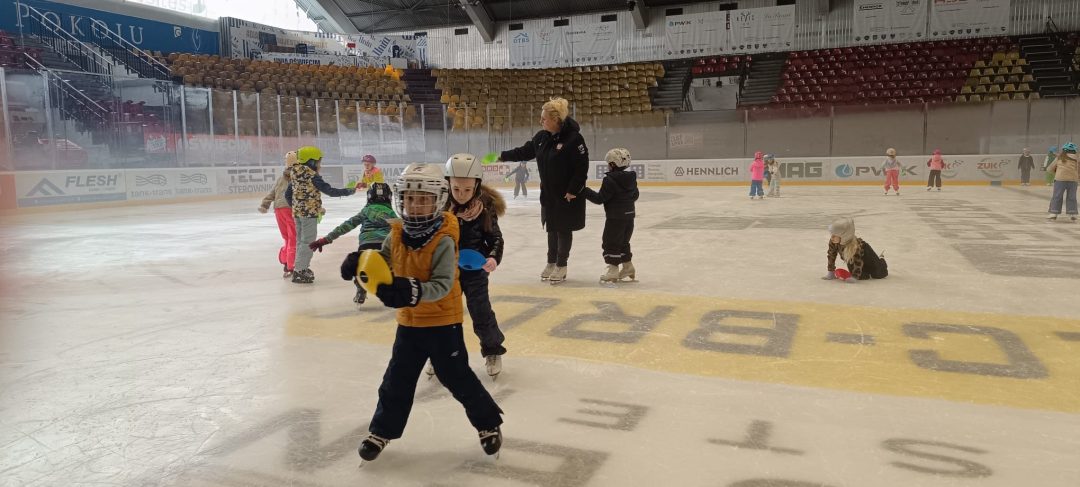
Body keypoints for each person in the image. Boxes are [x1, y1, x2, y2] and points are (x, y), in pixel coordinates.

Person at [357, 163, 503, 463]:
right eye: (409, 198)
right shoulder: (397, 233)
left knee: (458, 378)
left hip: (442, 323)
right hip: (409, 324)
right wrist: (360, 263)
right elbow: (383, 260)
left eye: (423, 199)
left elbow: (442, 284)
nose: (415, 205)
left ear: (437, 200)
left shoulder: (444, 238)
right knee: (396, 379)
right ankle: (381, 431)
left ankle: (488, 423)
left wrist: (408, 291)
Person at [499, 97, 589, 284]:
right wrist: (502, 156)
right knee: (552, 228)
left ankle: (561, 265)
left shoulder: (573, 139)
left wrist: (573, 189)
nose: (541, 121)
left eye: (544, 118)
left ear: (556, 120)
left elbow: (581, 167)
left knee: (563, 229)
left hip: (567, 194)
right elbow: (524, 152)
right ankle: (551, 262)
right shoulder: (542, 137)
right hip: (549, 194)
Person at [439, 153, 507, 379]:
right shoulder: (441, 206)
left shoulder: (485, 207)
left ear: (477, 185)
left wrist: (493, 257)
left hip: (475, 269)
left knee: (481, 311)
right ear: (448, 183)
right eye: (456, 189)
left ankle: (492, 350)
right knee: (444, 314)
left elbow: (495, 238)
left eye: (467, 190)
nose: (461, 194)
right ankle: (439, 353)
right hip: (447, 269)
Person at [308, 182, 397, 306]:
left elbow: (346, 226)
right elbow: (401, 230)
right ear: (389, 197)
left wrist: (326, 239)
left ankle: (361, 287)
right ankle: (391, 291)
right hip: (385, 246)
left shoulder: (365, 211)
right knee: (390, 268)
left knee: (361, 268)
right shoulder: (392, 214)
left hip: (366, 246)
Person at [284, 146, 358, 284]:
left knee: (300, 241)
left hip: (297, 214)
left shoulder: (294, 173)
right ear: (311, 161)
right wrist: (348, 191)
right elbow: (329, 191)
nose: (320, 165)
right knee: (308, 242)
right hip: (309, 214)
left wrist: (296, 207)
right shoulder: (312, 175)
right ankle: (300, 270)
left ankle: (299, 268)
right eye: (318, 161)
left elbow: (287, 194)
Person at [582, 148, 639, 283]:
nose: (608, 166)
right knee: (623, 242)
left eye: (609, 163)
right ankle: (628, 267)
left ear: (613, 164)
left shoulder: (610, 180)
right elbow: (635, 195)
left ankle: (613, 271)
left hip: (615, 217)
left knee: (610, 242)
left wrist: (584, 191)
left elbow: (599, 199)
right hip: (629, 216)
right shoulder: (631, 178)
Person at [259, 151, 297, 279]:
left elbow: (272, 192)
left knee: (287, 238)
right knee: (293, 238)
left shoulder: (281, 177)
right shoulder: (298, 176)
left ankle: (286, 262)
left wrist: (265, 204)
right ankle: (291, 266)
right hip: (290, 208)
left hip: (278, 209)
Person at [821, 217, 889, 282]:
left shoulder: (855, 246)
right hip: (853, 259)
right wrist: (831, 272)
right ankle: (864, 270)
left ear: (844, 236)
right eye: (831, 234)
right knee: (863, 277)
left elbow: (857, 261)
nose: (831, 238)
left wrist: (855, 277)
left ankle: (881, 259)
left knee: (879, 274)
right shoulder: (833, 242)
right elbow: (831, 256)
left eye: (834, 235)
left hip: (867, 255)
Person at [1045, 142, 1078, 222]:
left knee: (1057, 196)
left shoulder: (1059, 157)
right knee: (1072, 197)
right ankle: (1072, 213)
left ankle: (1054, 213)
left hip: (1060, 180)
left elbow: (1050, 168)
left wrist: (1056, 172)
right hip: (1073, 180)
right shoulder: (1077, 158)